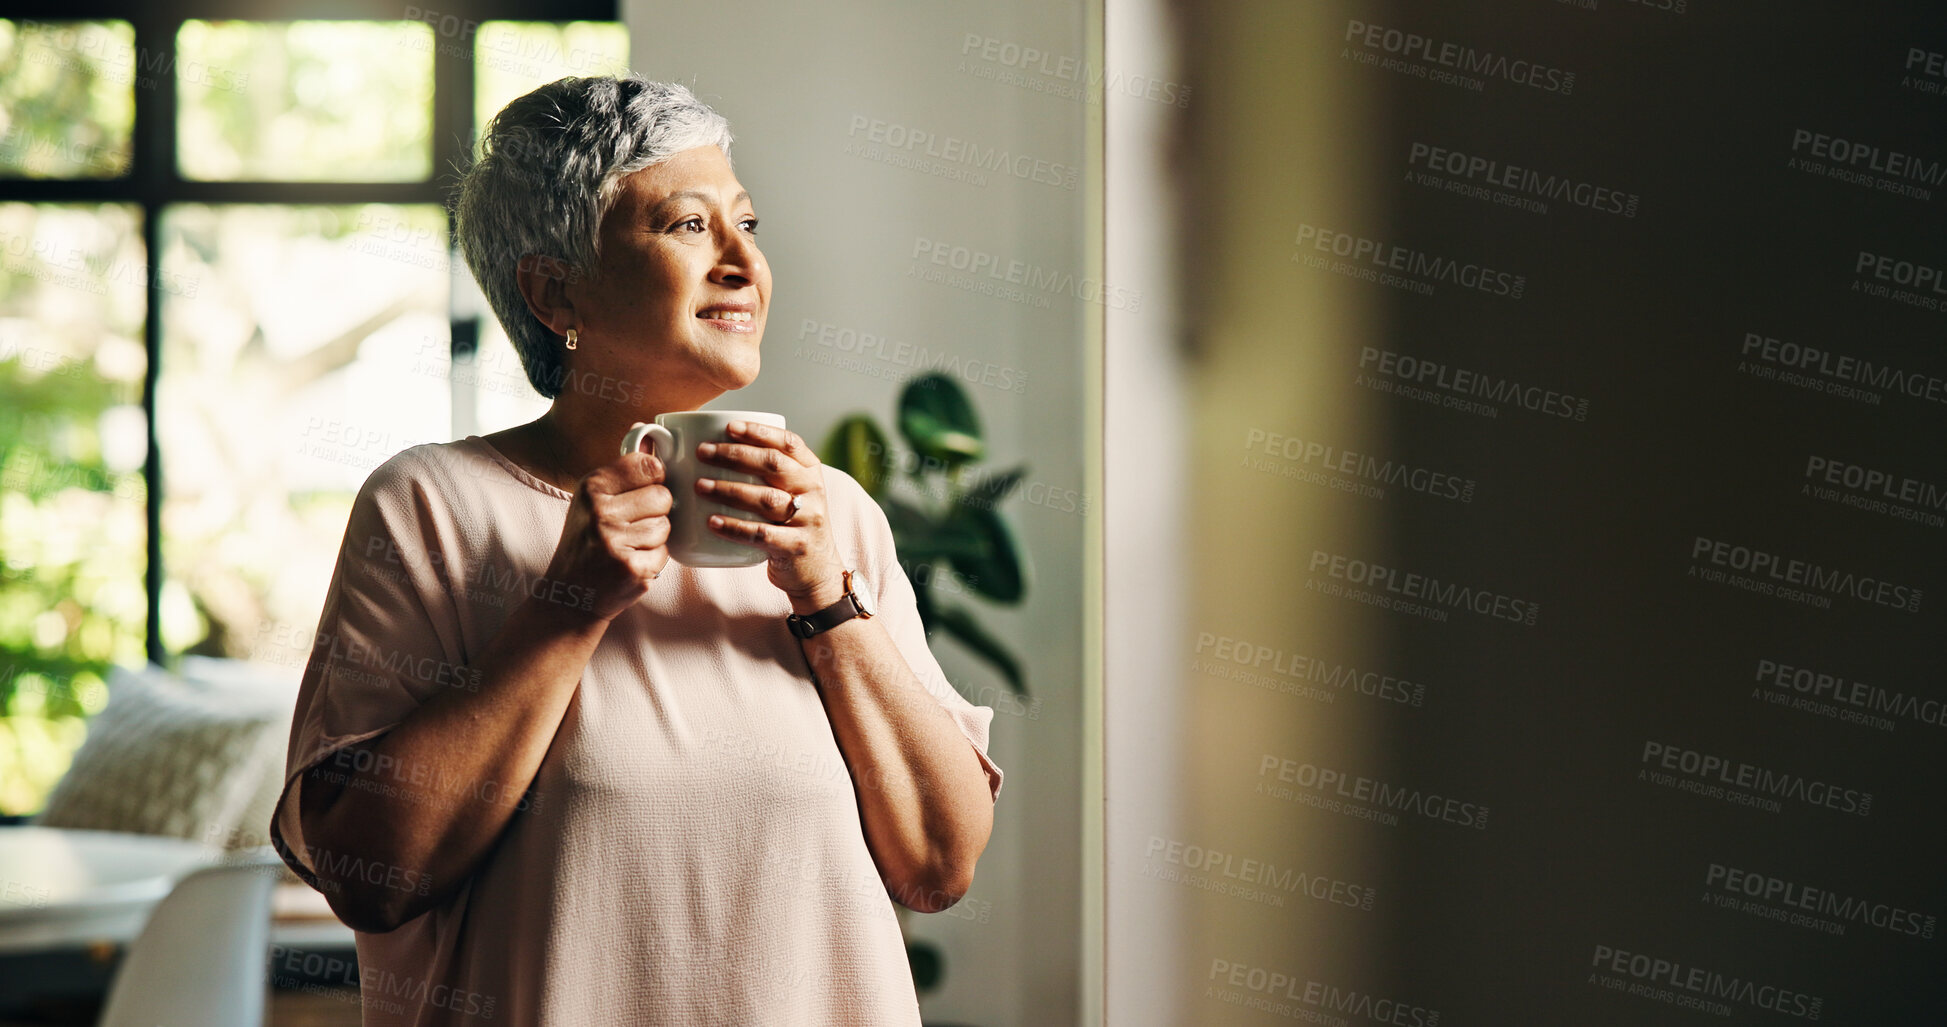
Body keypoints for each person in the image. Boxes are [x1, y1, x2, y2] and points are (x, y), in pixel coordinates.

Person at [269, 75, 1003, 1026]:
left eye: (747, 222)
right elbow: (372, 876)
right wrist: (565, 605)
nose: (743, 261)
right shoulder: (431, 506)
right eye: (688, 227)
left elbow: (940, 865)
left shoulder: (836, 518)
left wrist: (827, 598)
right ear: (555, 288)